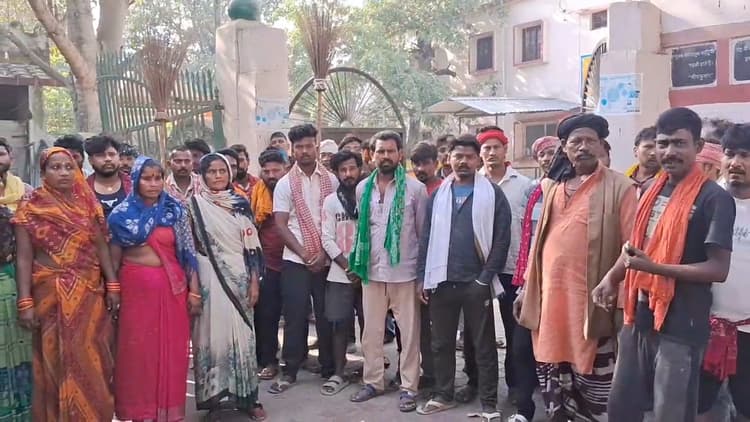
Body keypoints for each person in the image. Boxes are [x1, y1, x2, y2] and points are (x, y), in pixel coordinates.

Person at [596, 107, 735, 422]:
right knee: (622, 407)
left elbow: (718, 269)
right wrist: (611, 278)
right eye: (663, 143)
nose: (669, 151)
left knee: (669, 413)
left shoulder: (714, 198)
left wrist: (654, 268)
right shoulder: (650, 189)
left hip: (682, 324)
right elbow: (635, 247)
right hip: (639, 316)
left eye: (679, 143)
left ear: (698, 147)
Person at [515, 113, 637, 422]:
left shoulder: (621, 187)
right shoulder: (554, 187)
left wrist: (619, 299)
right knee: (553, 372)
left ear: (601, 145)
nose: (583, 147)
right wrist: (526, 288)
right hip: (550, 304)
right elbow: (539, 244)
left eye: (590, 141)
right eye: (576, 142)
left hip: (593, 305)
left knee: (597, 385)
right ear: (565, 148)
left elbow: (632, 246)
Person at [14, 147, 118, 421]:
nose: (63, 173)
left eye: (68, 167)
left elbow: (101, 247)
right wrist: (25, 300)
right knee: (53, 359)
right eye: (55, 167)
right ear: (43, 172)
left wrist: (113, 285)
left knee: (92, 356)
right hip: (49, 294)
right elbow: (24, 257)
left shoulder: (88, 203)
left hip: (88, 292)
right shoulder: (30, 206)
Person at [416, 134, 511, 420]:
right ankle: (443, 394)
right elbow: (426, 238)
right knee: (441, 343)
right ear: (448, 159)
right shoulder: (439, 195)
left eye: (469, 156)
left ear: (478, 160)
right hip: (441, 280)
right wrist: (422, 277)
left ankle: (489, 403)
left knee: (483, 345)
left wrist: (484, 279)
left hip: (475, 283)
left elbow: (501, 241)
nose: (463, 161)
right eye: (458, 156)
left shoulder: (493, 194)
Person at [108, 156, 201, 421]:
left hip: (172, 291)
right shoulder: (121, 215)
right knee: (138, 354)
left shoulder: (176, 211)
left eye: (158, 178)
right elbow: (113, 260)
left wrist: (195, 291)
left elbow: (188, 253)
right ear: (136, 180)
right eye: (147, 178)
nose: (153, 183)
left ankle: (169, 413)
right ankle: (140, 412)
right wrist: (112, 290)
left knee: (171, 353)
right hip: (135, 294)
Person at [348, 130, 427, 413]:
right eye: (380, 151)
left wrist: (422, 276)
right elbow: (363, 229)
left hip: (405, 272)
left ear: (400, 155)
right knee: (371, 333)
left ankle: (409, 387)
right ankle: (373, 382)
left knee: (409, 334)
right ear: (372, 155)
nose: (385, 156)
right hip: (372, 271)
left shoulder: (415, 189)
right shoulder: (362, 188)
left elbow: (423, 234)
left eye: (390, 151)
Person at [188, 153, 265, 420]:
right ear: (202, 175)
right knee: (211, 338)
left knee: (243, 339)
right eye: (212, 171)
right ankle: (215, 399)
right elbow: (189, 248)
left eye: (222, 171)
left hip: (239, 278)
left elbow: (252, 246)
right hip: (208, 278)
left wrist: (254, 282)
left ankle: (249, 399)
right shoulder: (194, 205)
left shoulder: (240, 203)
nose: (218, 175)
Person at [270, 124, 337, 393]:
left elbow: (335, 220)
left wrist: (324, 253)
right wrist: (304, 253)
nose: (305, 151)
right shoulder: (285, 183)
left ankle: (329, 367)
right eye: (299, 147)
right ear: (292, 150)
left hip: (327, 257)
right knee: (295, 316)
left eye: (309, 146)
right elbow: (281, 224)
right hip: (296, 259)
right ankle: (290, 369)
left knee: (326, 314)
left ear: (316, 147)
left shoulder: (331, 180)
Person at [469, 125, 532, 403]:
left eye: (496, 147)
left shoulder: (525, 185)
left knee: (514, 330)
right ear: (480, 153)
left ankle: (516, 386)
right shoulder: (471, 183)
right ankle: (476, 382)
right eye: (486, 148)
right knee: (476, 331)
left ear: (506, 150)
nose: (491, 152)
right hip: (479, 269)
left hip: (512, 269)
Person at [695, 123, 750, 422]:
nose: (736, 162)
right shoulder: (703, 201)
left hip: (747, 331)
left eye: (746, 155)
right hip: (703, 327)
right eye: (730, 154)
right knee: (699, 406)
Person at [507, 135, 560, 422]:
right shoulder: (533, 190)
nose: (548, 158)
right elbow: (524, 235)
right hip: (530, 280)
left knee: (555, 352)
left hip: (560, 282)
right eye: (543, 154)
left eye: (553, 152)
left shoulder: (571, 189)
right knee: (521, 347)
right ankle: (524, 409)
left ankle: (559, 410)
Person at [320, 150, 364, 396]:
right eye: (343, 170)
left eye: (352, 168)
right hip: (340, 273)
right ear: (337, 173)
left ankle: (372, 372)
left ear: (360, 169)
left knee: (371, 326)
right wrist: (347, 266)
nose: (348, 174)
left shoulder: (370, 196)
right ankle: (339, 372)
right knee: (339, 324)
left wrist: (361, 267)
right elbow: (326, 238)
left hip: (368, 274)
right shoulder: (331, 201)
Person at [0, 138, 32, 421]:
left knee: (20, 347)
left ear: (10, 156)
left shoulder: (27, 194)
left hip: (14, 280)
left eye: (0, 153)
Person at [252, 148, 288, 381]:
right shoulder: (256, 194)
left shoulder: (295, 190)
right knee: (267, 316)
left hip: (295, 262)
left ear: (286, 169)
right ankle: (268, 361)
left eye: (276, 170)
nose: (271, 175)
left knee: (296, 315)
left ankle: (295, 359)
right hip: (267, 263)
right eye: (267, 171)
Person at [84, 135, 133, 217]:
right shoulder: (83, 191)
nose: (108, 159)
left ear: (118, 157)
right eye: (100, 155)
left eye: (112, 154)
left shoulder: (134, 185)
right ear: (90, 160)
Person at [625, 126, 661, 197]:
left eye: (659, 148)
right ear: (635, 151)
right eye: (648, 147)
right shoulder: (623, 179)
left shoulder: (668, 182)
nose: (653, 153)